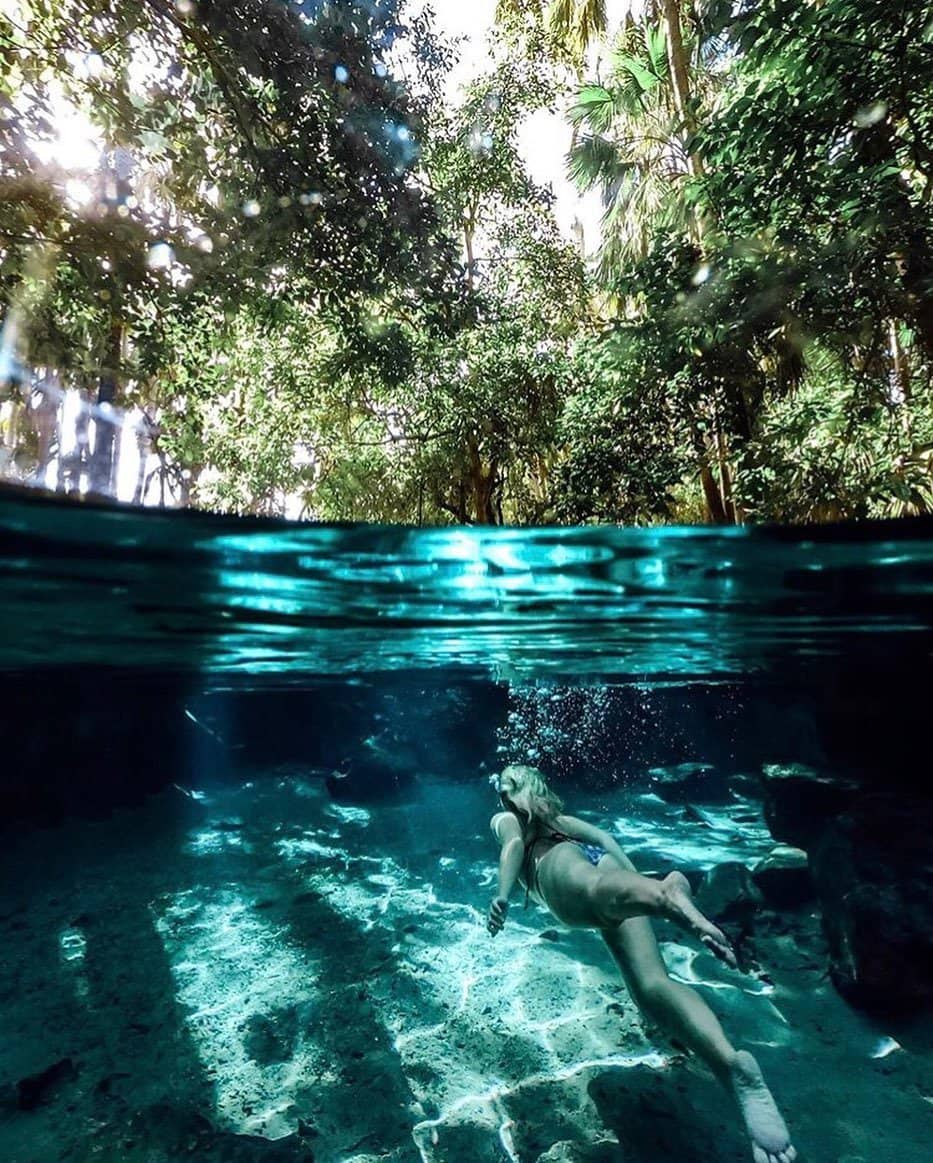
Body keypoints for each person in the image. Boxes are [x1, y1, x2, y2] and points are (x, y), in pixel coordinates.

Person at [487, 764, 796, 1163]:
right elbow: (601, 838)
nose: (499, 797)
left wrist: (502, 895)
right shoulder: (556, 816)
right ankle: (731, 1065)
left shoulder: (506, 818)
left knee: (597, 894)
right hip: (604, 863)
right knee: (652, 987)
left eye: (501, 789)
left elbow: (513, 847)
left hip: (557, 867)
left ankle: (664, 895)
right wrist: (634, 879)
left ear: (509, 792)